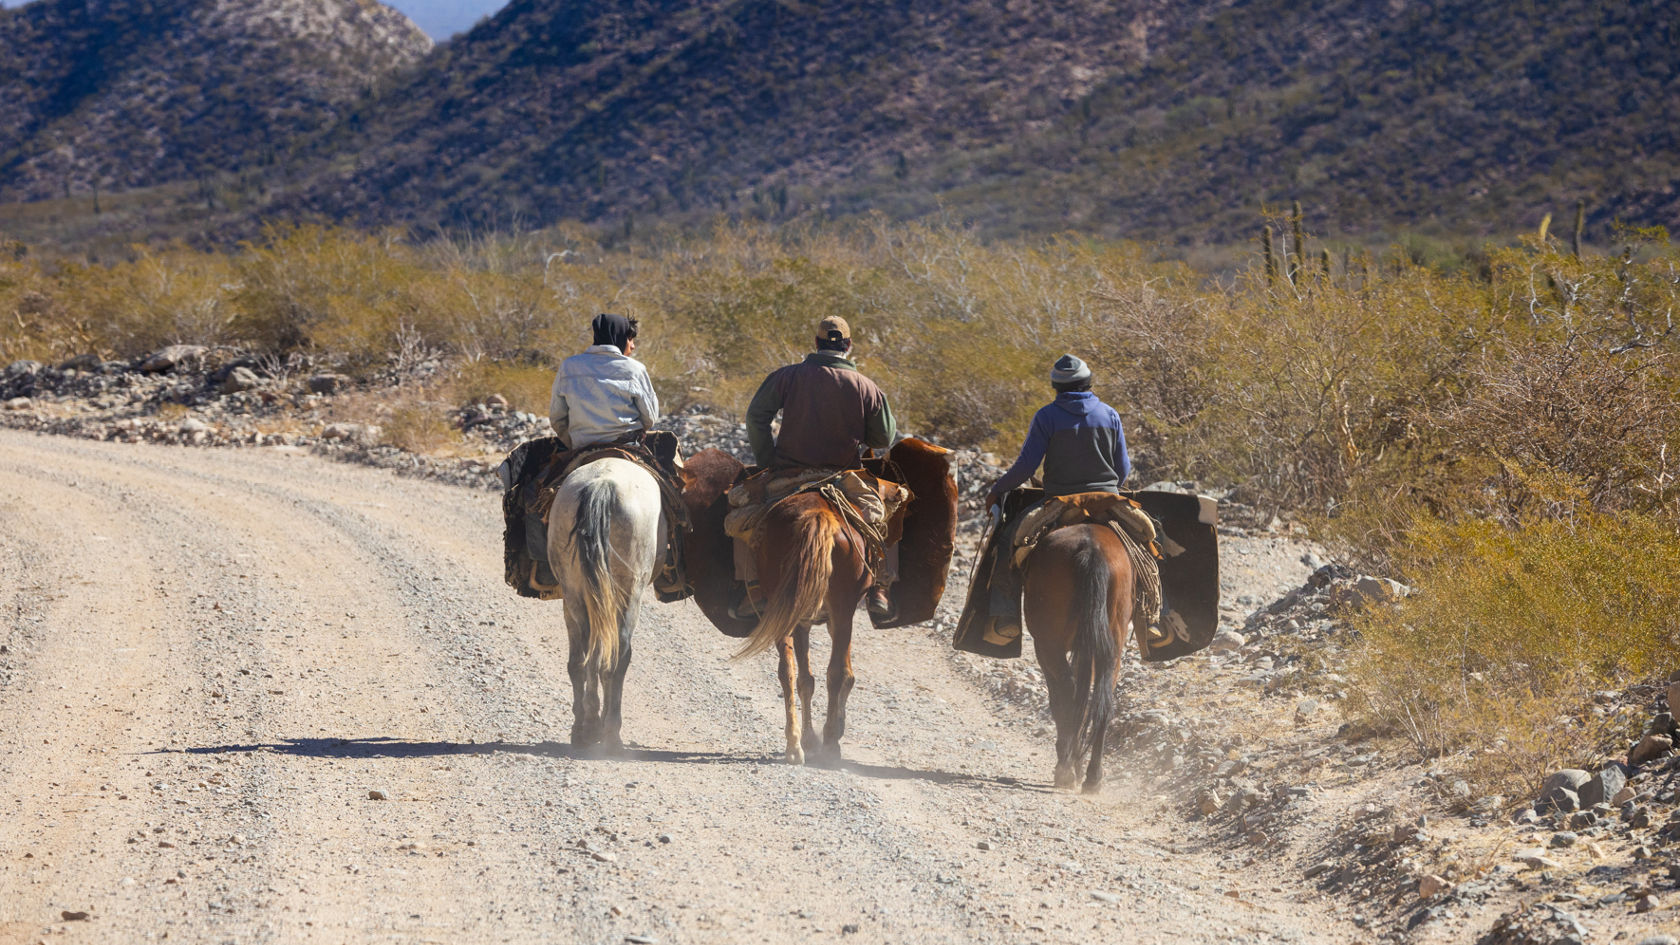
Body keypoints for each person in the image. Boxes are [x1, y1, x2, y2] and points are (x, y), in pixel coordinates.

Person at [734, 315, 897, 618]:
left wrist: (768, 459)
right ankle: (878, 587)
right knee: (883, 513)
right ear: (848, 346)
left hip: (788, 474)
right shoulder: (866, 386)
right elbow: (884, 436)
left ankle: (753, 588)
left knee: (745, 514)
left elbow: (756, 417)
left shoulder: (788, 376)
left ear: (816, 343)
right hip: (843, 477)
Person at [980, 353, 1131, 628]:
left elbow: (1026, 468)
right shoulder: (1109, 414)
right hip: (1108, 499)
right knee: (1152, 542)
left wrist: (998, 489)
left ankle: (1005, 617)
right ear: (1089, 382)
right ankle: (1156, 617)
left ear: (1056, 387)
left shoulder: (1047, 416)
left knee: (1006, 542)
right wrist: (1111, 488)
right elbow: (1123, 468)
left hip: (1059, 500)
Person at [549, 312, 659, 448]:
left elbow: (557, 418)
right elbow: (650, 418)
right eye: (630, 339)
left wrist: (574, 443)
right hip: (627, 445)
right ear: (618, 337)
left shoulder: (568, 366)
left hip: (581, 446)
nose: (633, 346)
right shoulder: (635, 369)